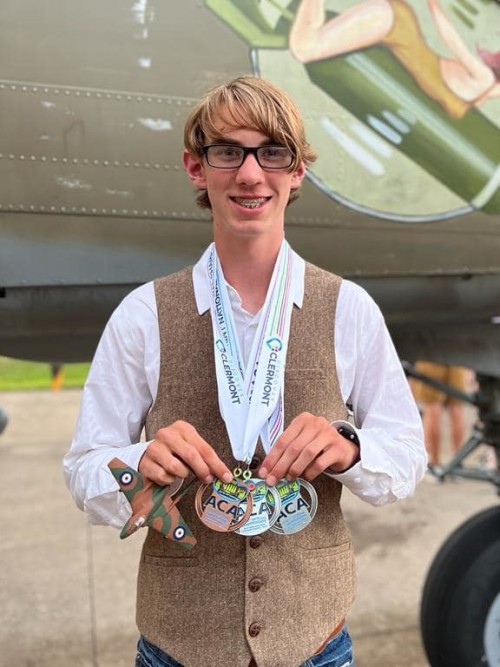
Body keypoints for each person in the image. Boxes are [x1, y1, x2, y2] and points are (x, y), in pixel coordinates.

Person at [63, 75, 426, 667]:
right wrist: (138, 463)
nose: (251, 174)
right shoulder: (143, 314)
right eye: (228, 152)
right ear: (196, 167)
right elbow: (84, 469)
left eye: (272, 152)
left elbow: (407, 458)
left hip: (315, 646)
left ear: (297, 171)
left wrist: (350, 449)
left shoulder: (349, 309)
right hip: (178, 649)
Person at [289, 0, 500, 119]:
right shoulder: (482, 84)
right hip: (394, 23)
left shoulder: (483, 83)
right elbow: (452, 41)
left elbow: (453, 41)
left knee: (305, 48)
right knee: (304, 49)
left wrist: (433, 5)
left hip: (394, 26)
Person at [411, 361, 469, 468]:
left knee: (432, 407)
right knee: (456, 406)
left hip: (431, 357)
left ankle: (434, 461)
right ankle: (458, 460)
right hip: (457, 356)